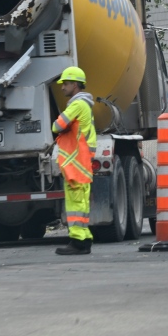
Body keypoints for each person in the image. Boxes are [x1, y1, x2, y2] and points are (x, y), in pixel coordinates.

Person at [51, 66, 96, 255]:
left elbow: (57, 126)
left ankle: (77, 242)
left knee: (76, 203)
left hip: (76, 160)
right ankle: (84, 239)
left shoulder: (77, 105)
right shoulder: (84, 104)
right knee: (82, 203)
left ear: (76, 85)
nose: (62, 87)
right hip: (82, 161)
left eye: (66, 84)